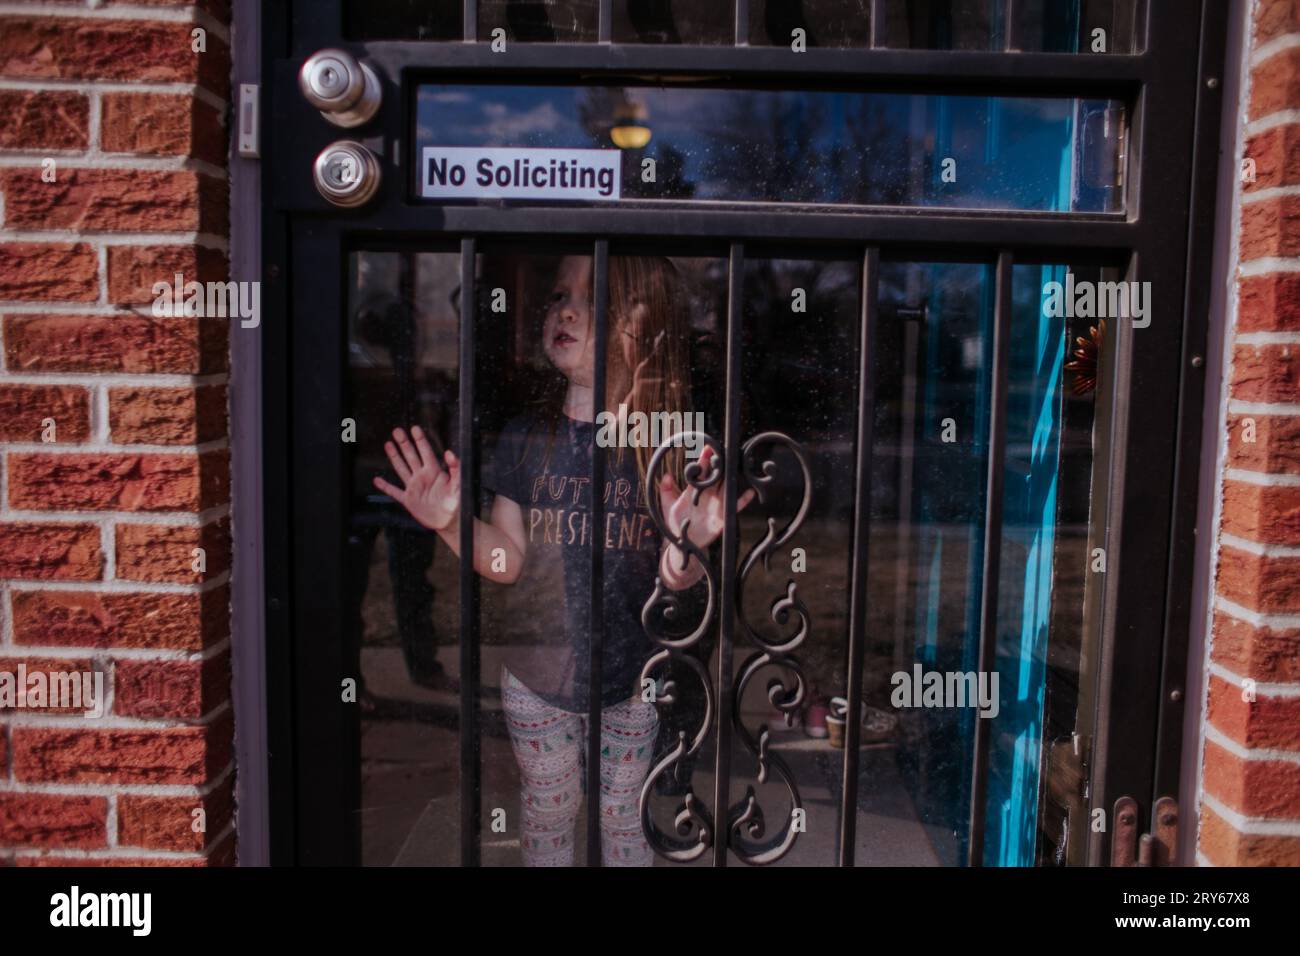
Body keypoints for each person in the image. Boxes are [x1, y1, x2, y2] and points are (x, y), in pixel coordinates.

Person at [375, 254, 749, 866]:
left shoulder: (667, 447)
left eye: (595, 296)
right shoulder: (525, 437)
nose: (566, 309)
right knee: (548, 808)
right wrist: (449, 523)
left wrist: (686, 549)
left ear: (648, 328)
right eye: (558, 295)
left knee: (623, 811)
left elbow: (673, 580)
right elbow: (507, 560)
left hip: (635, 679)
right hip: (536, 679)